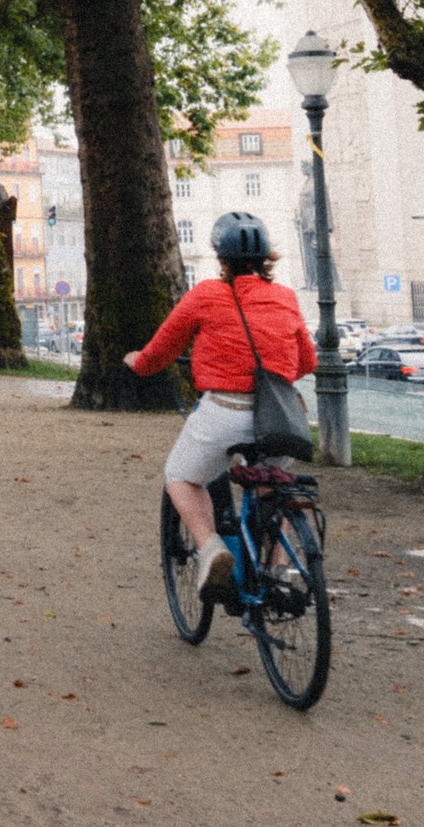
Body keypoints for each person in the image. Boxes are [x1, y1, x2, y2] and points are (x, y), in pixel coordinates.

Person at [124, 211, 317, 595]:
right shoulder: (285, 297)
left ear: (221, 258)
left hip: (224, 411)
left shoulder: (205, 295)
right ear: (266, 256)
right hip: (280, 418)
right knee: (272, 487)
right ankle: (277, 571)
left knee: (181, 476)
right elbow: (307, 361)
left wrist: (137, 362)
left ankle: (210, 547)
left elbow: (159, 352)